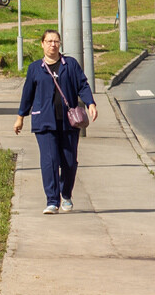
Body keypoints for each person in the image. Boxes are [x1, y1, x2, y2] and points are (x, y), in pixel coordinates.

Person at [14, 30, 98, 214]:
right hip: (44, 122)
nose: (53, 44)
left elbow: (82, 85)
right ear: (42, 44)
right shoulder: (35, 68)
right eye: (49, 41)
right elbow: (27, 94)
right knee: (50, 161)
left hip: (69, 123)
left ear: (60, 44)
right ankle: (52, 201)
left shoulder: (71, 65)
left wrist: (90, 103)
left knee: (69, 161)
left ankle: (66, 194)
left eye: (56, 41)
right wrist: (20, 117)